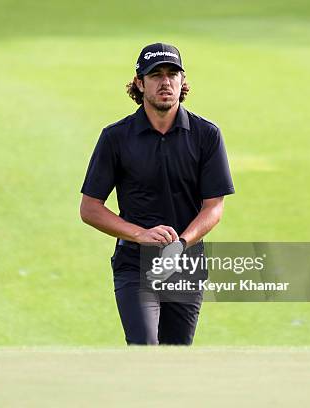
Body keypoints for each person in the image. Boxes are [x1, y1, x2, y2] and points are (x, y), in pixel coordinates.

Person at [79, 43, 235, 345]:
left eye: (172, 74)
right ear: (140, 83)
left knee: (175, 357)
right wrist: (140, 235)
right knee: (145, 350)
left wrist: (181, 243)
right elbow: (90, 208)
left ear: (183, 80)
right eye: (156, 75)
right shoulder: (116, 137)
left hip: (185, 263)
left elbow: (214, 206)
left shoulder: (206, 135)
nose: (165, 82)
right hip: (135, 262)